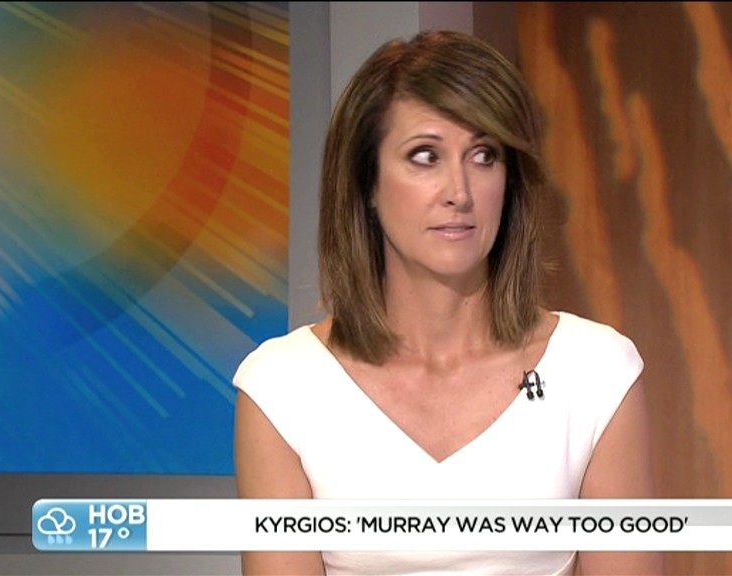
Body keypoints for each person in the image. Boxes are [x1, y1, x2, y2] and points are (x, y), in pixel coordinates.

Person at [232, 29, 662, 575]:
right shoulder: (282, 386)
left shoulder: (595, 370)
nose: (459, 191)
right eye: (425, 156)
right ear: (367, 184)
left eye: (484, 155)